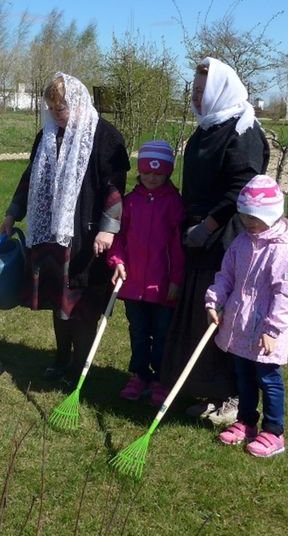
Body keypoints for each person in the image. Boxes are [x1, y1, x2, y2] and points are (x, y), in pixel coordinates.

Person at [160, 57, 270, 427]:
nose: (195, 96)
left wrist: (208, 224)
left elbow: (243, 187)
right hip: (199, 238)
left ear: (221, 89)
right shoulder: (207, 128)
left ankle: (237, 397)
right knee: (203, 313)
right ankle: (212, 390)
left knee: (228, 315)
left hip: (228, 237)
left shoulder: (243, 131)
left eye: (201, 90)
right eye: (193, 90)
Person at [0, 73, 129, 387]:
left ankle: (78, 365)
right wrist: (12, 213)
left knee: (83, 306)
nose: (58, 114)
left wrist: (108, 229)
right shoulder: (46, 135)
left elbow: (114, 187)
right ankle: (60, 359)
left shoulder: (104, 136)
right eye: (53, 108)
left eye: (63, 107)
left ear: (79, 102)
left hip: (86, 238)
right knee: (59, 303)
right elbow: (30, 179)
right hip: (51, 236)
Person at [206, 174, 288, 457]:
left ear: (272, 215)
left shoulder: (281, 250)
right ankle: (246, 421)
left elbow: (286, 294)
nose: (248, 222)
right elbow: (226, 276)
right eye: (245, 215)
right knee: (243, 377)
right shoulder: (241, 243)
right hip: (238, 324)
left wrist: (272, 330)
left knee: (268, 380)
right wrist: (214, 300)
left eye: (255, 217)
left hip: (263, 332)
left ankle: (274, 432)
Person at [105, 140, 185, 407]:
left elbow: (178, 247)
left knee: (162, 334)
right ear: (139, 171)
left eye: (159, 173)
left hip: (162, 287)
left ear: (168, 172)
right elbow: (119, 237)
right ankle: (140, 375)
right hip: (133, 284)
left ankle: (161, 379)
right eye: (147, 172)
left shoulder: (175, 204)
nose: (152, 178)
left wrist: (176, 280)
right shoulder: (130, 203)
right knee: (138, 332)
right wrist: (117, 261)